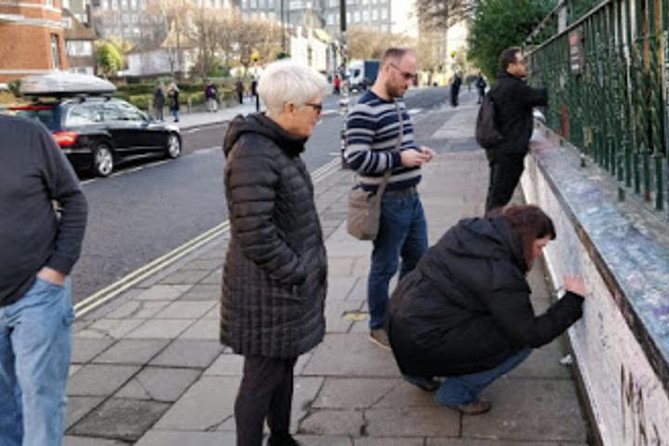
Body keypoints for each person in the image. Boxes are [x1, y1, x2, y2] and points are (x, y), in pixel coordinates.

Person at [221, 60, 329, 446]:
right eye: (316, 107)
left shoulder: (279, 146)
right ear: (289, 109)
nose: (320, 115)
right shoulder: (254, 153)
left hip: (283, 291)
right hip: (267, 292)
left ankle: (280, 438)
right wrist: (298, 270)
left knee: (282, 368)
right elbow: (254, 233)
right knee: (259, 381)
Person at [388, 204, 586, 414]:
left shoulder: (465, 232)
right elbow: (531, 334)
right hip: (423, 339)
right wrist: (572, 300)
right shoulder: (501, 274)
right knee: (520, 342)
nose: (538, 255)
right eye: (539, 246)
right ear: (525, 240)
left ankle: (419, 375)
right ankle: (456, 393)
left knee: (494, 319)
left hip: (398, 323)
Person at [0, 114, 88, 446]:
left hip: (37, 294)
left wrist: (57, 271)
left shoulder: (27, 135)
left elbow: (74, 199)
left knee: (40, 399)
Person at [344, 47, 436, 349]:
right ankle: (378, 325)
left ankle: (401, 314)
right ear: (387, 68)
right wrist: (400, 159)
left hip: (412, 199)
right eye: (406, 75)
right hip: (388, 202)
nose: (410, 82)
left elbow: (402, 144)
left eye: (413, 76)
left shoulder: (398, 104)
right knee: (384, 267)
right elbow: (355, 158)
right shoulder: (363, 109)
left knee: (417, 261)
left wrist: (419, 152)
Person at [485, 47, 548, 212]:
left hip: (498, 149)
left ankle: (488, 229)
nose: (524, 66)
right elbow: (543, 96)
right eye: (521, 62)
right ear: (510, 66)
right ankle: (489, 232)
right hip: (509, 152)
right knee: (498, 200)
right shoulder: (515, 87)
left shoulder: (499, 85)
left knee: (495, 195)